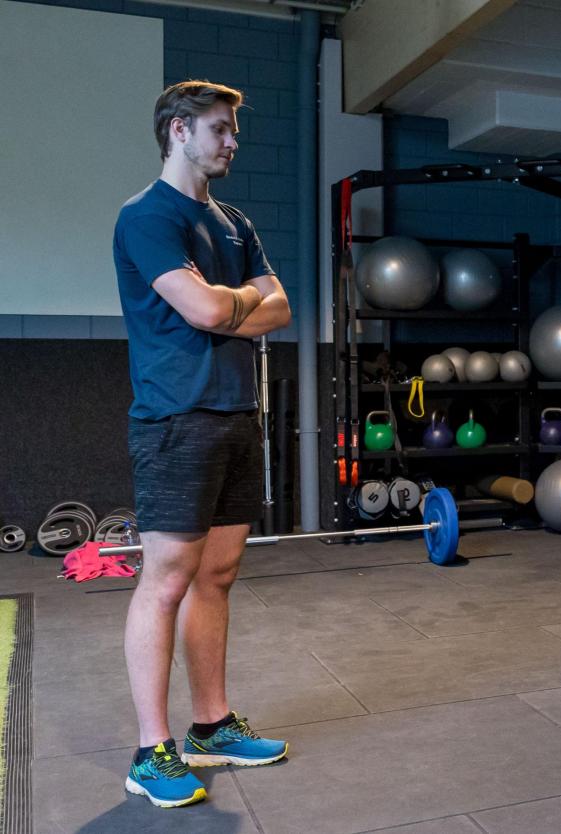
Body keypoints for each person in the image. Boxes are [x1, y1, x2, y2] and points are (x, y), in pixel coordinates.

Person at [113, 80, 292, 808]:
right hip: (175, 418)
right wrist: (231, 303)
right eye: (220, 128)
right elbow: (205, 306)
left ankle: (210, 727)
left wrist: (231, 305)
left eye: (234, 130)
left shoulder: (235, 222)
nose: (232, 141)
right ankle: (150, 751)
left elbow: (276, 307)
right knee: (167, 579)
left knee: (217, 574)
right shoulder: (146, 218)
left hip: (234, 412)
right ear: (179, 130)